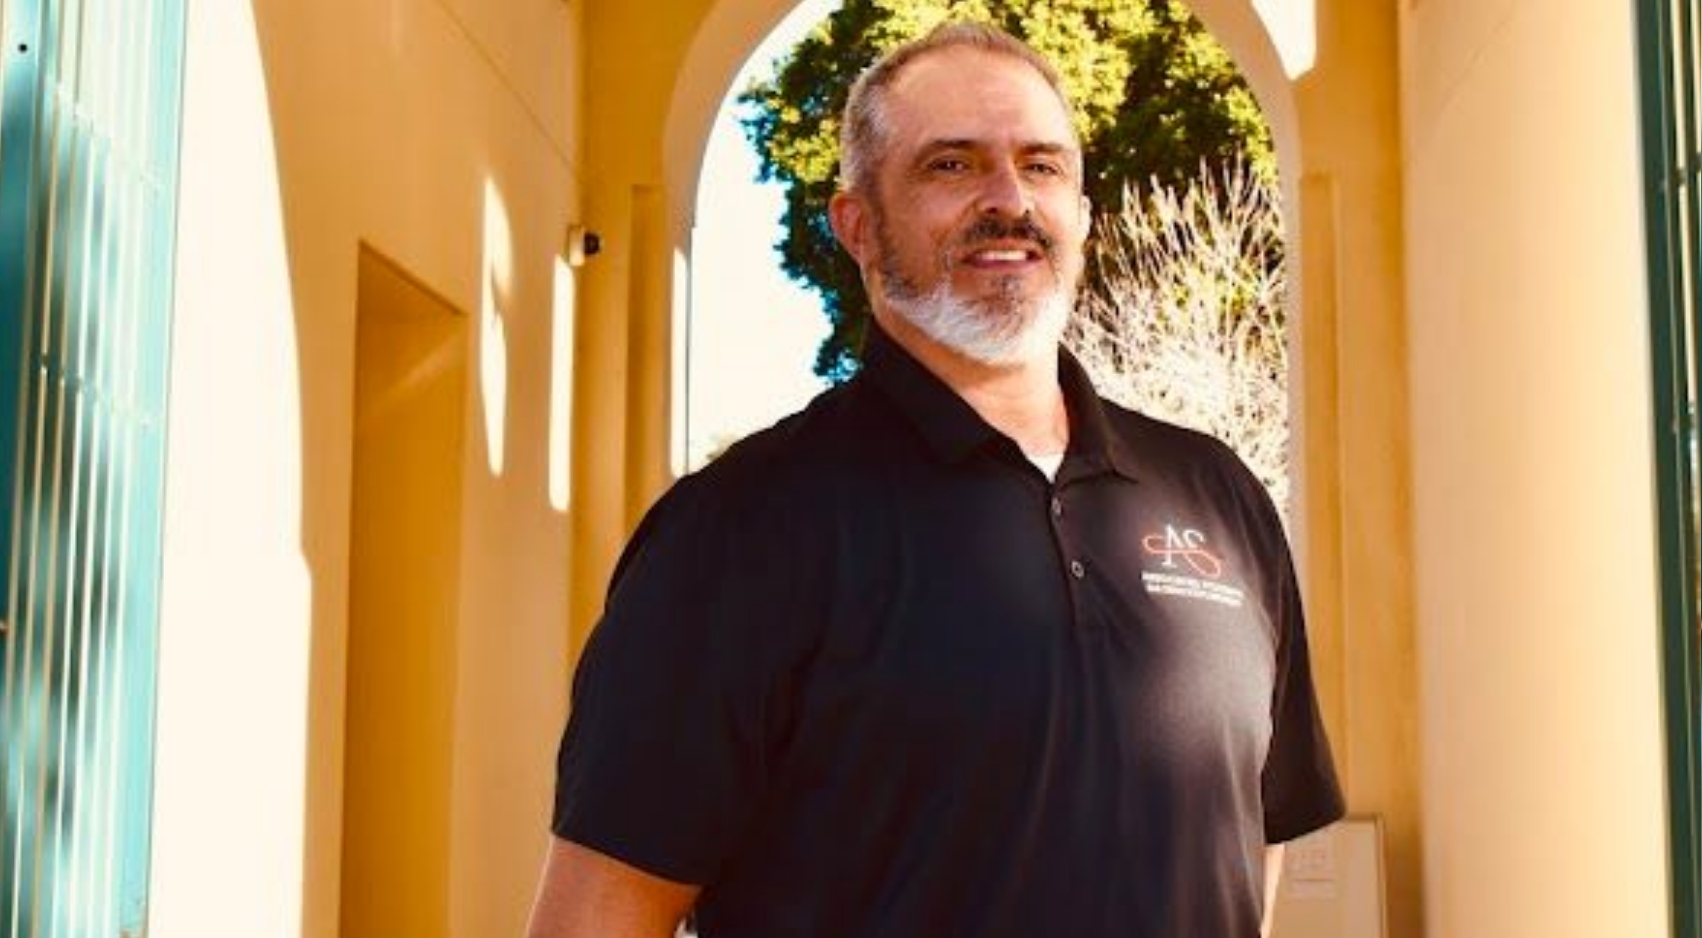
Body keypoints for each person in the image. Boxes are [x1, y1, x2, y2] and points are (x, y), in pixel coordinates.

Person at [526, 21, 1342, 938]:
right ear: (857, 224)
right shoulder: (737, 530)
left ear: (1080, 210)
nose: (1008, 201)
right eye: (950, 166)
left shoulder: (1218, 497)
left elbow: (1247, 843)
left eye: (1042, 167)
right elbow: (594, 918)